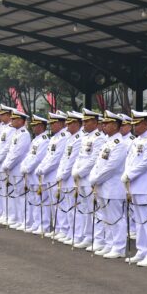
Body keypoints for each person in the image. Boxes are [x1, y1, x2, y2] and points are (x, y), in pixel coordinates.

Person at [121, 110, 147, 266]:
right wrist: (127, 175)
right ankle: (142, 250)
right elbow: (130, 160)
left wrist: (128, 175)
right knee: (139, 222)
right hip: (136, 186)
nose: (134, 127)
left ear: (145, 123)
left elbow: (145, 163)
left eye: (137, 125)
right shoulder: (137, 140)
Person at [89, 111, 129, 258]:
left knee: (116, 218)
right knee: (106, 218)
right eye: (103, 123)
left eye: (107, 123)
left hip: (113, 187)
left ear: (115, 125)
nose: (103, 125)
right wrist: (93, 177)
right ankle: (109, 243)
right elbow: (98, 163)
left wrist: (95, 179)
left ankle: (118, 247)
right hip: (102, 186)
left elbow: (111, 167)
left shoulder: (120, 144)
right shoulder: (108, 141)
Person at [70, 109, 106, 248]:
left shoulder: (99, 138)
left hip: (90, 179)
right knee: (85, 209)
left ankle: (98, 239)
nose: (84, 124)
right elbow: (79, 157)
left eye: (87, 121)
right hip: (81, 179)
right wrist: (75, 171)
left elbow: (93, 160)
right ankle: (87, 236)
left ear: (95, 123)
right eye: (83, 121)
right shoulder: (85, 138)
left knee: (95, 211)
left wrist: (80, 172)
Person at [34, 111, 69, 235]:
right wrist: (41, 167)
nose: (51, 126)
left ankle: (63, 230)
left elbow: (56, 158)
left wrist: (44, 169)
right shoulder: (54, 138)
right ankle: (57, 228)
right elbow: (48, 156)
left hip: (56, 174)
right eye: (51, 123)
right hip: (48, 175)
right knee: (54, 204)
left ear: (61, 123)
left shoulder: (64, 137)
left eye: (54, 123)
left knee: (60, 203)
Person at [51, 111, 83, 242]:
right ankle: (70, 232)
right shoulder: (71, 138)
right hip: (65, 178)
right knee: (68, 208)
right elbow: (64, 159)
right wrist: (60, 173)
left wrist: (63, 174)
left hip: (71, 178)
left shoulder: (79, 138)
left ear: (76, 124)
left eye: (69, 124)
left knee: (75, 208)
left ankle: (77, 235)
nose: (67, 126)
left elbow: (72, 161)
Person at [1, 109, 32, 229]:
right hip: (13, 170)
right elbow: (10, 152)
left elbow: (18, 153)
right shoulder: (17, 133)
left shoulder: (24, 134)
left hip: (19, 169)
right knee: (15, 195)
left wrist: (7, 165)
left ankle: (25, 221)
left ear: (20, 121)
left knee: (22, 196)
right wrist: (7, 164)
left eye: (14, 119)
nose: (12, 121)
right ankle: (18, 219)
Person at [19, 115, 50, 233]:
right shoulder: (36, 140)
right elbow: (29, 156)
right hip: (31, 176)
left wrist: (27, 168)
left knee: (42, 201)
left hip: (38, 175)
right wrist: (23, 166)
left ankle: (44, 225)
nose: (33, 128)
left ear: (41, 126)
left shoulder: (45, 140)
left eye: (35, 126)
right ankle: (36, 223)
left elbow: (38, 158)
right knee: (34, 201)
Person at [0, 105, 16, 225]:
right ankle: (1, 213)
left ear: (8, 115)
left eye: (2, 115)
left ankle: (8, 215)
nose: (0, 117)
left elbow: (6, 148)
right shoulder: (2, 128)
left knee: (7, 191)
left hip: (5, 163)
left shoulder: (11, 129)